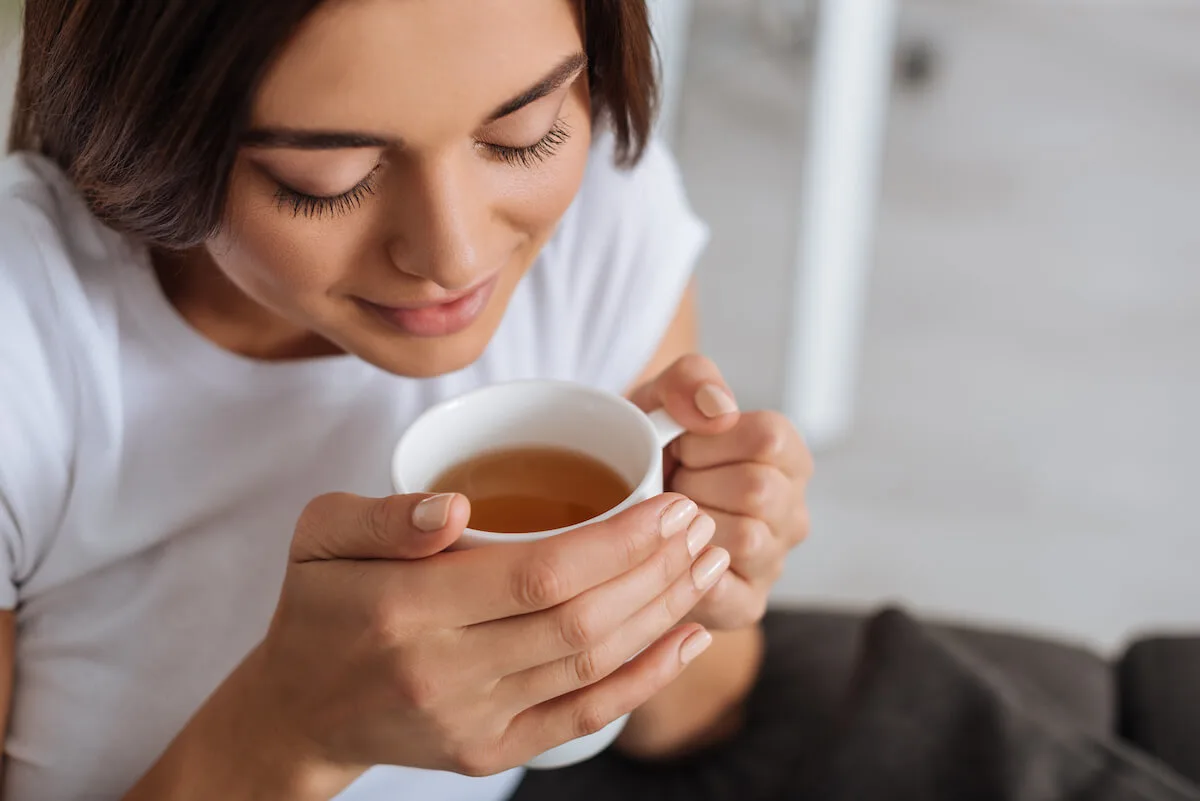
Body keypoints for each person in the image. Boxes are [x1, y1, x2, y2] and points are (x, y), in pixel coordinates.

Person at [0, 1, 813, 799]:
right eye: (327, 181)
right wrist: (289, 731)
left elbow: (691, 718)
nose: (453, 256)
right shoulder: (28, 337)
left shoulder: (598, 218)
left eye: (524, 134)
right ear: (148, 122)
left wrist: (693, 567)